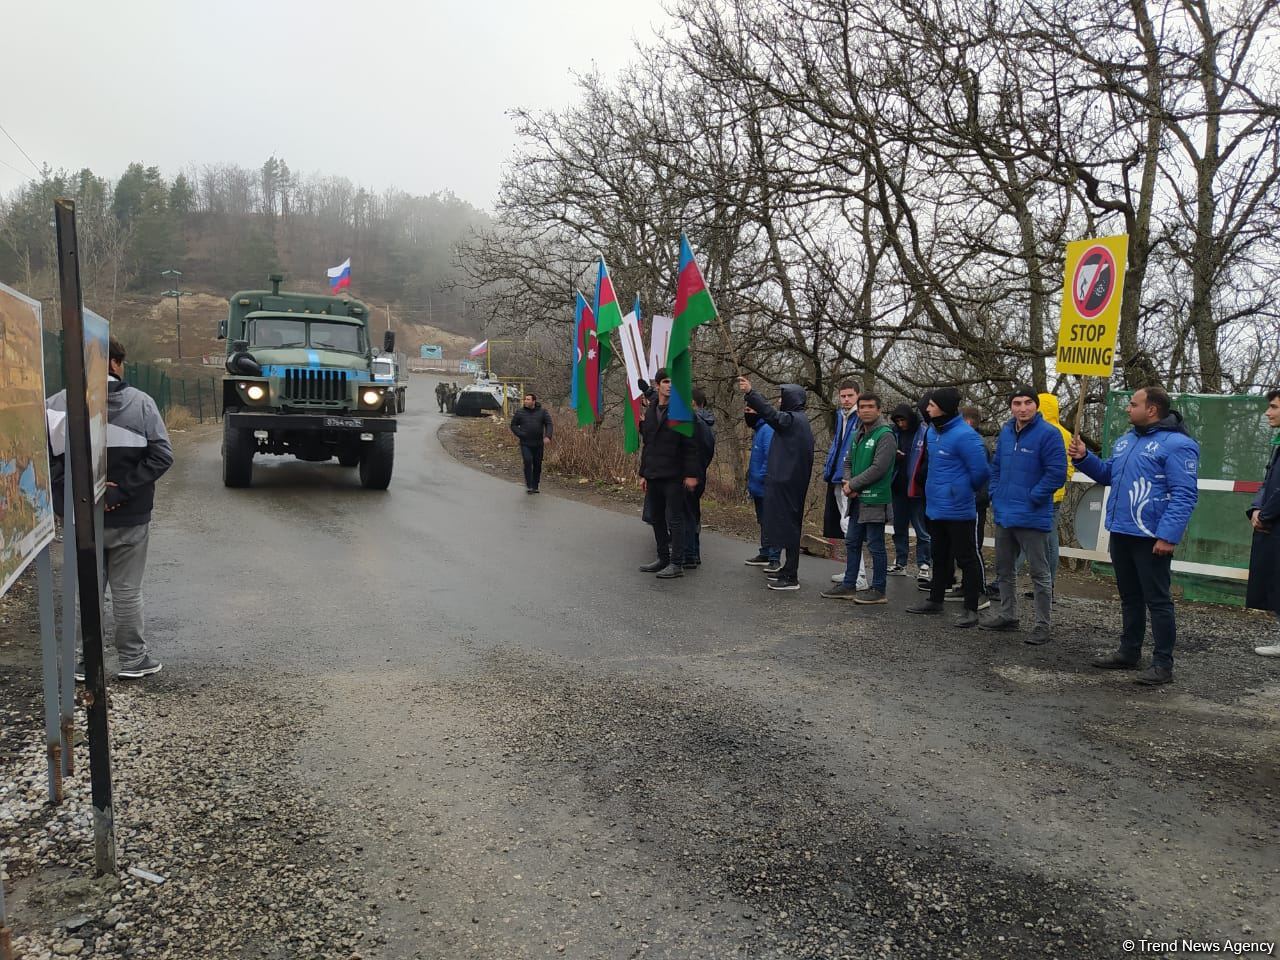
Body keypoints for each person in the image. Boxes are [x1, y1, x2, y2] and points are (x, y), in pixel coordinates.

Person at [47, 336, 173, 680]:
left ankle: (83, 663)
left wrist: (76, 496)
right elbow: (162, 455)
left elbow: (45, 459)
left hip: (81, 517)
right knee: (127, 591)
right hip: (130, 517)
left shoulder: (56, 405)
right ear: (116, 363)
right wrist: (122, 491)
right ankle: (133, 660)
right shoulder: (141, 403)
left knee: (84, 590)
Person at [1069, 386, 1199, 685]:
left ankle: (1163, 664)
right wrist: (1084, 457)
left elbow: (1184, 494)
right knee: (1129, 596)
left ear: (1151, 409)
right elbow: (1107, 475)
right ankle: (1129, 652)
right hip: (1121, 530)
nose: (1127, 408)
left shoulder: (1178, 445)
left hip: (1151, 536)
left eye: (1133, 404)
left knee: (1158, 600)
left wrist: (1167, 536)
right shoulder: (1126, 441)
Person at [980, 387, 1068, 644]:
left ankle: (1042, 625)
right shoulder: (1007, 432)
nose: (1022, 408)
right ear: (1011, 407)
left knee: (1039, 572)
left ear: (1036, 406)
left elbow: (1057, 473)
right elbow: (996, 467)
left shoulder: (1049, 434)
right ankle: (1008, 615)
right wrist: (996, 493)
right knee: (1004, 569)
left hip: (1032, 514)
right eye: (1017, 403)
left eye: (1028, 402)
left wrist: (1033, 497)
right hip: (1005, 513)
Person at [906, 387, 991, 627]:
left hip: (959, 508)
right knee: (939, 555)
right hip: (935, 506)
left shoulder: (965, 435)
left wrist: (961, 490)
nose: (927, 408)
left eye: (932, 405)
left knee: (966, 558)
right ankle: (935, 600)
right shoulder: (932, 432)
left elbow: (981, 472)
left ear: (943, 408)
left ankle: (971, 609)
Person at [738, 376, 815, 592]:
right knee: (786, 528)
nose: (780, 401)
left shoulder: (793, 420)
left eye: (783, 397)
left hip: (788, 484)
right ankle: (787, 569)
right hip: (789, 483)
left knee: (789, 529)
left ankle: (791, 576)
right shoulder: (798, 420)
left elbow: (769, 414)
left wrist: (751, 393)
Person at [822, 393, 895, 603]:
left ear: (879, 410)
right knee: (852, 541)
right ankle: (849, 585)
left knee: (875, 545)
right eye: (862, 407)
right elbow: (847, 462)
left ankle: (879, 589)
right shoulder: (857, 433)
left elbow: (879, 468)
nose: (865, 410)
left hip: (875, 498)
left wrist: (853, 485)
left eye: (870, 406)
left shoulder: (885, 435)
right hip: (856, 499)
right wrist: (848, 482)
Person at [637, 368, 700, 579]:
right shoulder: (651, 410)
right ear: (657, 385)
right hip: (654, 473)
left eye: (673, 382)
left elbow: (691, 446)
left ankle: (676, 563)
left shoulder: (682, 411)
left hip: (674, 474)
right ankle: (663, 557)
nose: (670, 385)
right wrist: (643, 473)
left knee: (675, 519)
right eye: (665, 381)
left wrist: (691, 474)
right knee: (656, 518)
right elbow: (648, 444)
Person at [822, 381, 867, 589]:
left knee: (850, 525)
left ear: (858, 395)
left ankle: (860, 576)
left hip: (851, 478)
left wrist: (854, 477)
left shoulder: (861, 417)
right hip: (837, 476)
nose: (846, 399)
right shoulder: (841, 415)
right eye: (843, 396)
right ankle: (852, 570)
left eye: (850, 395)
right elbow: (837, 445)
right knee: (844, 524)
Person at [1246, 388, 1280, 657]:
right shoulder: (1277, 444)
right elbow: (1267, 482)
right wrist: (1256, 509)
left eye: (1274, 407)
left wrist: (1266, 515)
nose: (1267, 412)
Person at [889, 403, 931, 579]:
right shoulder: (894, 433)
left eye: (903, 420)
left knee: (921, 529)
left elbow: (928, 457)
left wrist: (922, 476)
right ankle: (901, 562)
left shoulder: (924, 432)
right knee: (899, 527)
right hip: (898, 486)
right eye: (898, 421)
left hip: (917, 488)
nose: (901, 424)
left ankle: (924, 564)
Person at [743, 404, 781, 570]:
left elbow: (770, 457)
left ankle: (774, 558)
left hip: (766, 486)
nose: (747, 414)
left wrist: (762, 477)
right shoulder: (758, 430)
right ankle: (765, 552)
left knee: (771, 522)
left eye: (749, 410)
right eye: (745, 410)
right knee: (764, 521)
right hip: (757, 487)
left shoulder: (767, 429)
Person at [683, 388, 717, 567]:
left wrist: (691, 473)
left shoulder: (696, 423)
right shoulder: (707, 424)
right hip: (699, 473)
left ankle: (688, 554)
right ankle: (693, 552)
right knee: (693, 513)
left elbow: (693, 451)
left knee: (686, 514)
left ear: (692, 403)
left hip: (690, 475)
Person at [509, 392, 553, 494]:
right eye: (525, 399)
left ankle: (535, 486)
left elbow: (549, 424)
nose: (525, 401)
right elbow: (513, 425)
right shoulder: (520, 412)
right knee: (528, 461)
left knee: (537, 464)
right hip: (525, 443)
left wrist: (548, 436)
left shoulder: (542, 412)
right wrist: (521, 434)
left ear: (534, 401)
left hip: (538, 443)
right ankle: (529, 485)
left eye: (528, 399)